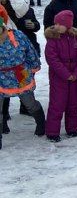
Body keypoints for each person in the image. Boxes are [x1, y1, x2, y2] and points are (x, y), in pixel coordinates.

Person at [0, 19, 46, 147]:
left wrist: (34, 66)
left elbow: (30, 51)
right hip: (0, 76)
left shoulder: (18, 35)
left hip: (20, 73)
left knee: (29, 103)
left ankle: (41, 125)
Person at [44, 10, 77, 142]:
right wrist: (66, 74)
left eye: (59, 24)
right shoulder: (52, 40)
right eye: (55, 24)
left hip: (75, 78)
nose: (56, 26)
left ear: (67, 25)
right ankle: (52, 132)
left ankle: (72, 129)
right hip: (59, 78)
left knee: (74, 104)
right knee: (57, 104)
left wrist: (76, 74)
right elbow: (52, 59)